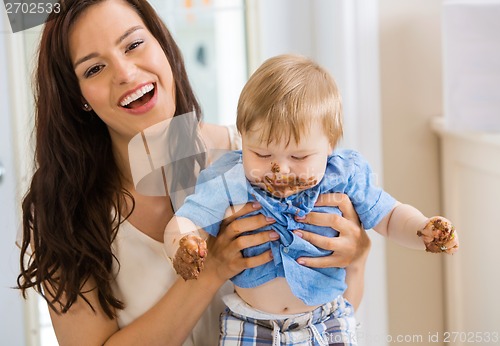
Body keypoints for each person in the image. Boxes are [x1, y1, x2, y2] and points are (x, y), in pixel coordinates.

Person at [16, 1, 370, 345]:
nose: (125, 73)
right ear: (77, 95)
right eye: (94, 68)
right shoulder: (61, 213)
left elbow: (327, 323)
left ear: (163, 45)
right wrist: (211, 271)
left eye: (134, 44)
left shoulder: (256, 158)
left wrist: (356, 258)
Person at [165, 54, 460, 345]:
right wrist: (184, 243)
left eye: (299, 156)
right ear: (242, 139)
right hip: (251, 324)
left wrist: (422, 228)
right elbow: (186, 219)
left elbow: (391, 215)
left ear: (329, 145)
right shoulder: (231, 178)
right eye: (262, 154)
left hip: (327, 320)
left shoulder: (344, 176)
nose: (280, 169)